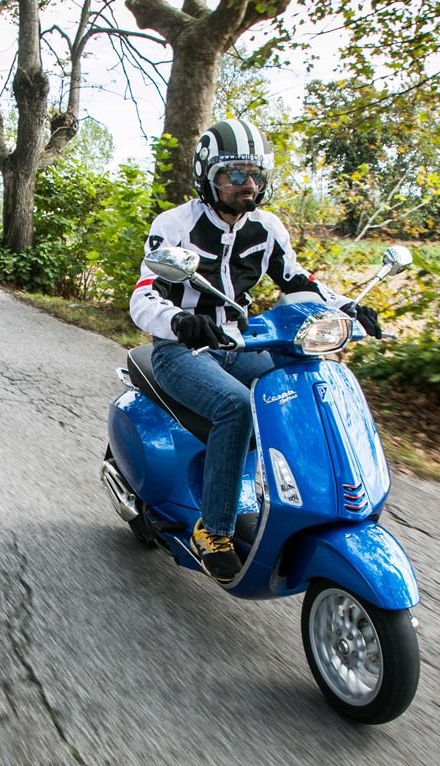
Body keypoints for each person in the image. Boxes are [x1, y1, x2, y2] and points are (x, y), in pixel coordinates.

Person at [129, 118, 383, 583]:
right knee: (234, 407)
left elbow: (299, 281)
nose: (248, 186)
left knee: (296, 389)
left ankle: (284, 495)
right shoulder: (175, 226)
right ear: (208, 176)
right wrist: (180, 321)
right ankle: (215, 531)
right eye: (234, 175)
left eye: (255, 176)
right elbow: (143, 295)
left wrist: (349, 306)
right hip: (181, 350)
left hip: (240, 342)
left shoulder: (266, 228)